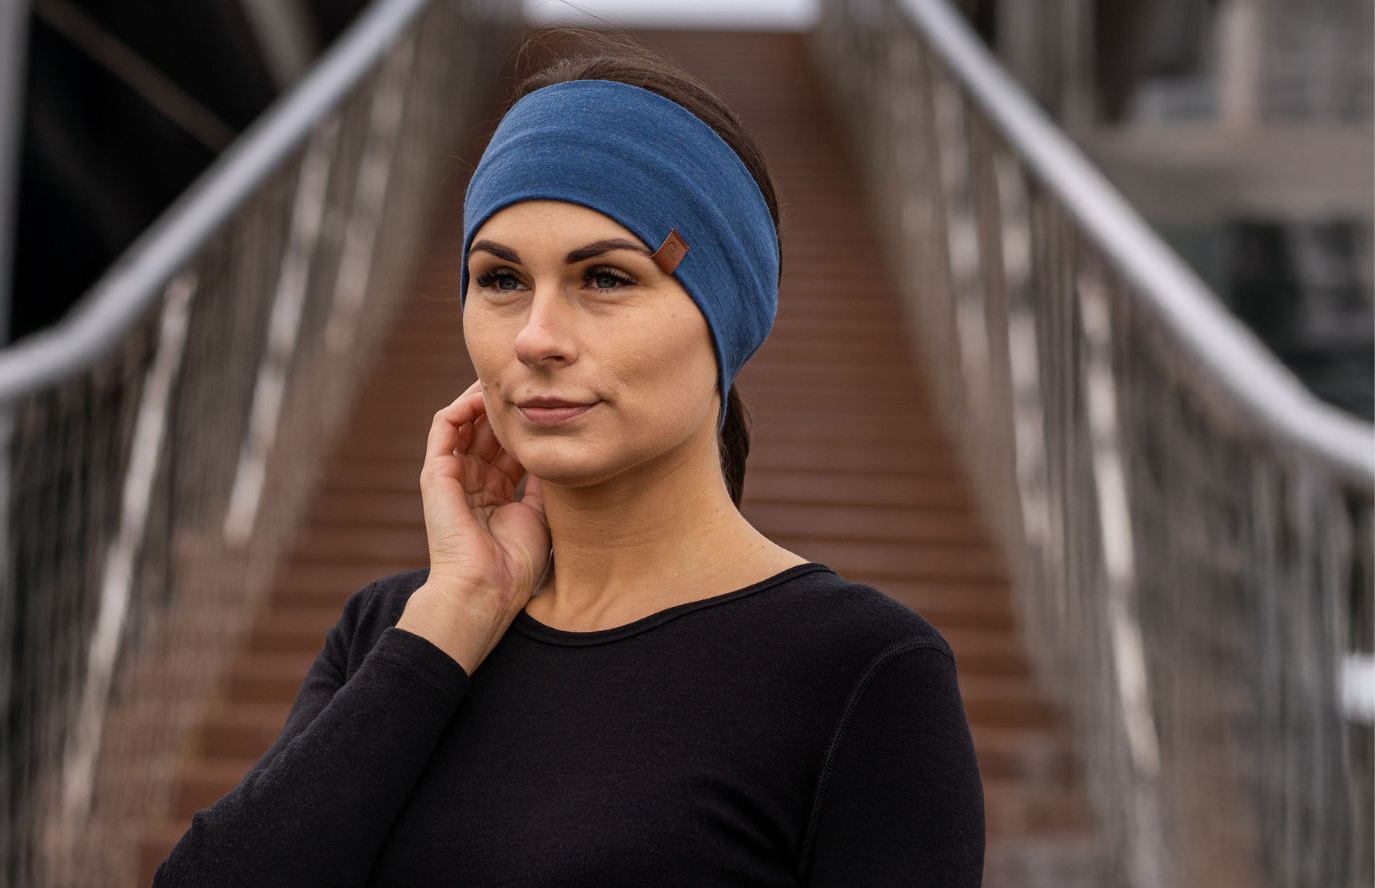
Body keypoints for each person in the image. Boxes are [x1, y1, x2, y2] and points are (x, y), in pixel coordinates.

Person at [154, 39, 985, 888]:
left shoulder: (861, 672)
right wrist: (460, 610)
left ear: (722, 315)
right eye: (501, 279)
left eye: (608, 280)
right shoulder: (394, 631)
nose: (536, 338)